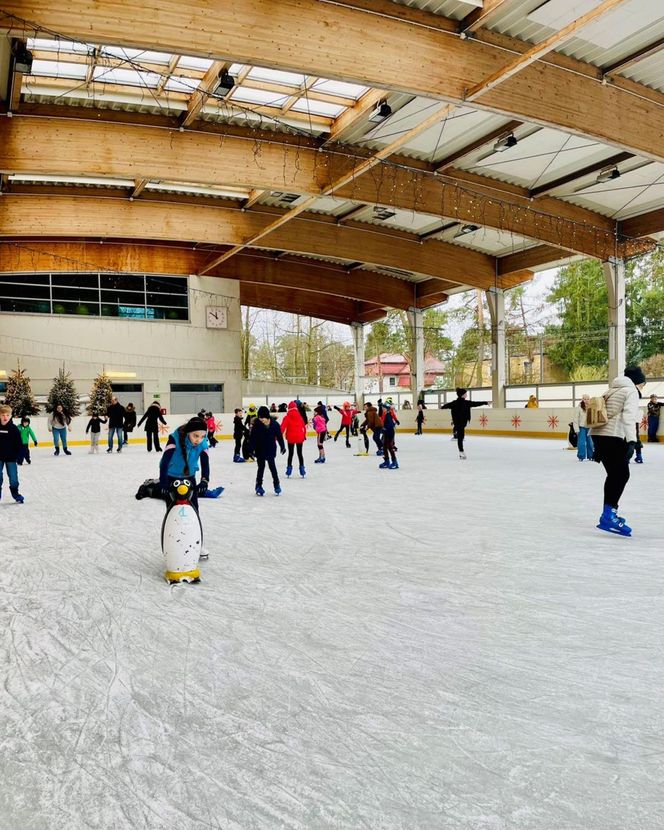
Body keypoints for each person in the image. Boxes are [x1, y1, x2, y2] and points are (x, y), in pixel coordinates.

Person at [590, 366, 644, 536]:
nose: (642, 388)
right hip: (613, 436)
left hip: (598, 435)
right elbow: (629, 417)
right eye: (642, 385)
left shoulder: (611, 389)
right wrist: (632, 441)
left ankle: (608, 514)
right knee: (621, 475)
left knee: (615, 474)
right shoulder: (631, 391)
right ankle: (609, 515)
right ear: (637, 382)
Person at [441, 387, 489, 460]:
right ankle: (461, 452)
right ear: (462, 395)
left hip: (458, 422)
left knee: (461, 436)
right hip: (461, 423)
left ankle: (461, 451)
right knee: (460, 437)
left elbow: (444, 406)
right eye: (465, 393)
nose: (466, 394)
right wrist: (485, 402)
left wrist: (444, 407)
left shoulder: (454, 403)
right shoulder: (466, 403)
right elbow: (476, 403)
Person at [250, 405, 285, 496]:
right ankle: (258, 486)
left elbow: (279, 436)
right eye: (260, 418)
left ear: (267, 416)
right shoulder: (257, 425)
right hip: (260, 449)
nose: (261, 420)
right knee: (261, 467)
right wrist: (251, 450)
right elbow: (253, 438)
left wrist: (282, 446)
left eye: (263, 418)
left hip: (270, 449)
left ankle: (276, 485)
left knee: (272, 467)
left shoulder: (274, 424)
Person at [0, 405, 24, 502]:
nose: (5, 417)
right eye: (3, 415)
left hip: (11, 458)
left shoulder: (14, 429)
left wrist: (19, 456)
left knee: (13, 477)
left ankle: (15, 493)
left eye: (7, 415)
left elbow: (19, 444)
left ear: (10, 416)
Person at [281, 400, 307, 477]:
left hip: (291, 438)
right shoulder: (299, 416)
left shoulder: (287, 417)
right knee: (300, 453)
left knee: (290, 454)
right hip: (299, 437)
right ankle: (302, 470)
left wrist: (276, 437)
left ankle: (289, 470)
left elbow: (282, 428)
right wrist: (304, 435)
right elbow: (304, 427)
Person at [378, 398, 399, 469]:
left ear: (387, 409)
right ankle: (387, 461)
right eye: (382, 407)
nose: (383, 409)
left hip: (390, 432)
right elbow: (383, 422)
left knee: (390, 447)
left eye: (384, 408)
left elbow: (391, 425)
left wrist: (384, 429)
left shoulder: (388, 415)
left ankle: (395, 462)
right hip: (386, 432)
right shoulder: (384, 414)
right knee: (384, 447)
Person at [573, 394, 594, 461]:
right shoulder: (579, 408)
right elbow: (575, 419)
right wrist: (576, 429)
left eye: (587, 399)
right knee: (581, 443)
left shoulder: (591, 407)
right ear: (582, 399)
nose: (586, 400)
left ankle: (591, 456)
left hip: (590, 428)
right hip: (581, 428)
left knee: (590, 443)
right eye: (584, 399)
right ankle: (581, 456)